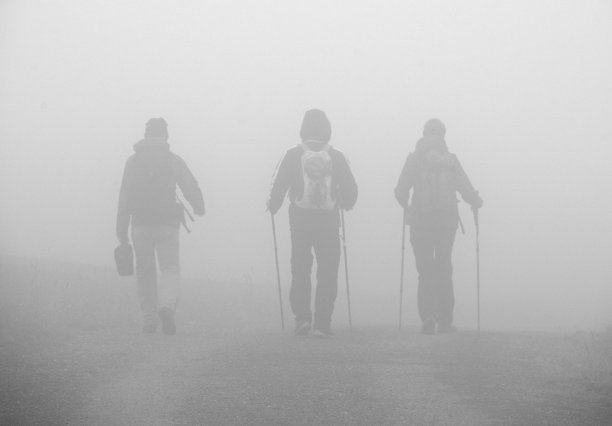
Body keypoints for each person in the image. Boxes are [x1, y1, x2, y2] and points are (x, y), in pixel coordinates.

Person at [268, 109, 358, 338]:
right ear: (327, 130)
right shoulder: (336, 156)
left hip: (300, 220)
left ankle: (302, 318)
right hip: (328, 221)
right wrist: (345, 203)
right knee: (327, 272)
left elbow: (278, 185)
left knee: (300, 269)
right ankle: (322, 323)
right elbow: (351, 192)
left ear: (303, 129)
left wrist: (273, 205)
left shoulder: (292, 154)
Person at [116, 118, 205, 335]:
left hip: (140, 224)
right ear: (165, 137)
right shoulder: (172, 160)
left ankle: (148, 320)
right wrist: (199, 206)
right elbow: (189, 184)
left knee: (145, 271)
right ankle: (166, 307)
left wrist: (121, 230)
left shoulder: (133, 162)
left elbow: (124, 196)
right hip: (167, 224)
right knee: (170, 268)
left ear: (145, 135)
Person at [395, 118, 482, 334]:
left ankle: (428, 315)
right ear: (443, 136)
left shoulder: (414, 159)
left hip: (421, 222)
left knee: (425, 270)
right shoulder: (451, 160)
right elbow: (465, 188)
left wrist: (406, 204)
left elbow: (400, 191)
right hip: (446, 222)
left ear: (424, 135)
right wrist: (476, 202)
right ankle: (445, 319)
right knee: (444, 266)